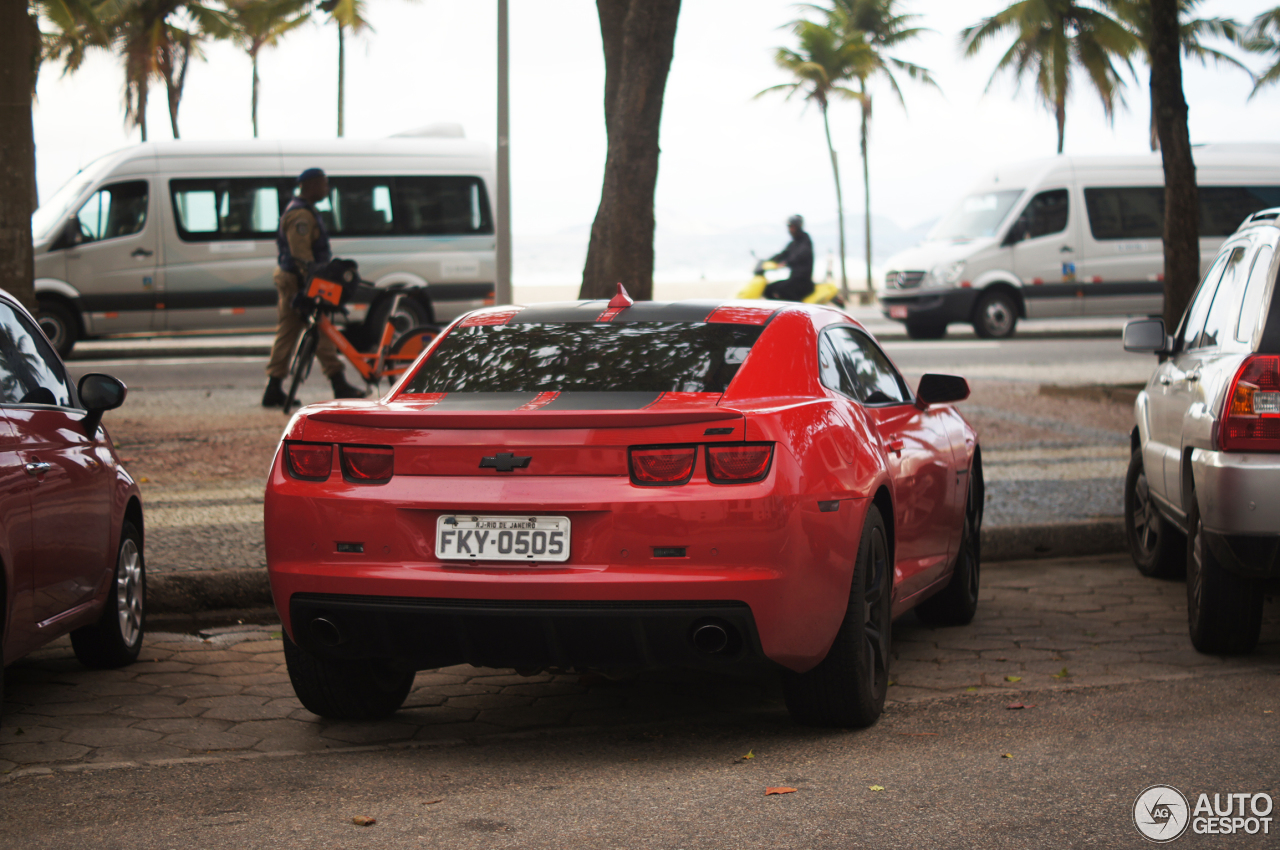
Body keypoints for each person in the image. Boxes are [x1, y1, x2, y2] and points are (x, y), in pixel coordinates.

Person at [262, 168, 365, 407]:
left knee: (303, 331)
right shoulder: (301, 215)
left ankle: (276, 387)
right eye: (324, 184)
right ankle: (336, 382)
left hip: (297, 280)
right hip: (298, 282)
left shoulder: (304, 210)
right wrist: (315, 284)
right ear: (311, 186)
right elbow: (301, 255)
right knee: (312, 330)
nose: (327, 189)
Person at [763, 214, 815, 302]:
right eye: (789, 227)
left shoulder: (805, 240)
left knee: (784, 289)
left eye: (792, 227)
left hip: (803, 282)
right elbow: (782, 254)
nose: (790, 230)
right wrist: (767, 261)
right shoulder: (793, 243)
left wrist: (786, 262)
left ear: (799, 227)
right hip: (793, 279)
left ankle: (798, 311)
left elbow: (801, 254)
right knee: (768, 289)